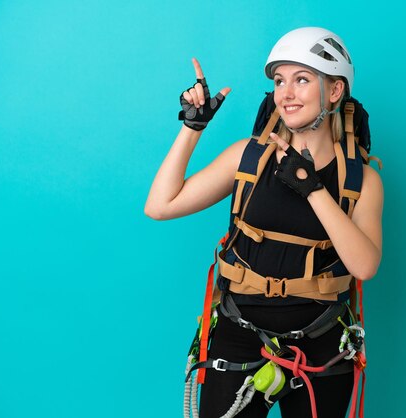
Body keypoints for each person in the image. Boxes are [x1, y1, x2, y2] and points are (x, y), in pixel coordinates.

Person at [145, 27, 383, 418]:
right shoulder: (249, 158)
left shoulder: (361, 179)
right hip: (240, 337)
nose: (285, 94)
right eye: (279, 81)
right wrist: (192, 128)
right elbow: (160, 206)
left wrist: (311, 188)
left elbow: (365, 265)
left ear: (336, 91)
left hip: (322, 343)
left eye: (301, 80)